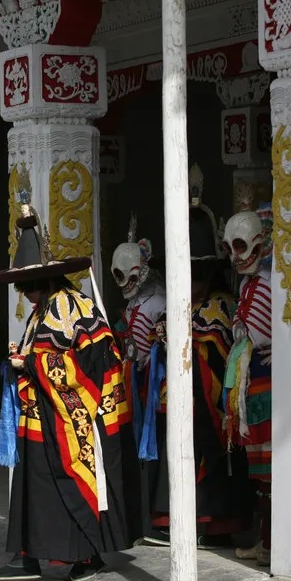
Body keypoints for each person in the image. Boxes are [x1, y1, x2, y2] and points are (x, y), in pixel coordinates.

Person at [0, 199, 137, 581]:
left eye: (25, 286)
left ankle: (83, 555)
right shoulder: (43, 309)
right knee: (36, 485)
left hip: (73, 418)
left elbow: (93, 365)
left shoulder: (74, 306)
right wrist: (24, 358)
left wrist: (30, 364)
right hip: (41, 415)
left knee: (66, 483)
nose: (22, 294)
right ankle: (32, 552)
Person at [142, 172, 252, 548]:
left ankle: (212, 523)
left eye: (192, 274)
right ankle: (170, 517)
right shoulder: (180, 305)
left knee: (203, 459)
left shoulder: (221, 304)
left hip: (206, 405)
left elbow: (218, 350)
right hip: (171, 399)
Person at [222, 197, 274, 565]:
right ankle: (265, 541)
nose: (235, 256)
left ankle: (274, 544)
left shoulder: (278, 284)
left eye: (241, 246)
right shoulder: (246, 287)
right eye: (229, 248)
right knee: (259, 473)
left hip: (272, 386)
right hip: (250, 386)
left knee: (273, 471)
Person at [110, 214, 166, 543]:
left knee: (150, 446)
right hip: (131, 382)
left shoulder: (157, 302)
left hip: (152, 384)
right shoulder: (135, 305)